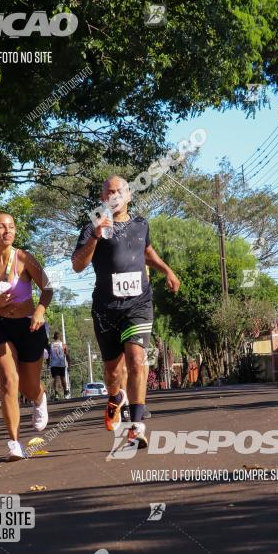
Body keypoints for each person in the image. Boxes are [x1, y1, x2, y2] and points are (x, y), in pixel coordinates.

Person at [71, 175, 180, 452]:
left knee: (136, 359)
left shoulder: (141, 224)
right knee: (112, 371)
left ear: (129, 195)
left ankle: (137, 427)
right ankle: (114, 396)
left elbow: (146, 252)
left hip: (138, 304)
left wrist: (166, 270)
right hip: (106, 309)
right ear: (102, 197)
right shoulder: (92, 227)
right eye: (109, 191)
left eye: (120, 190)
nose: (115, 194)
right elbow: (77, 265)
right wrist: (95, 236)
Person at [0, 211, 52, 460]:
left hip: (29, 326)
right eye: (2, 227)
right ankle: (14, 443)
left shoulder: (24, 258)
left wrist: (40, 310)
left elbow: (47, 288)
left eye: (12, 227)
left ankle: (39, 398)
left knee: (28, 386)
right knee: (8, 381)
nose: (8, 231)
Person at [49, 332, 70, 399]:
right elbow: (67, 355)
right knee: (62, 378)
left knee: (55, 379)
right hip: (61, 364)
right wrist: (69, 364)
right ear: (60, 337)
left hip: (54, 365)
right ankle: (66, 392)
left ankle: (56, 394)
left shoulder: (51, 345)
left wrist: (48, 363)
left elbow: (48, 356)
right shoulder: (63, 345)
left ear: (54, 338)